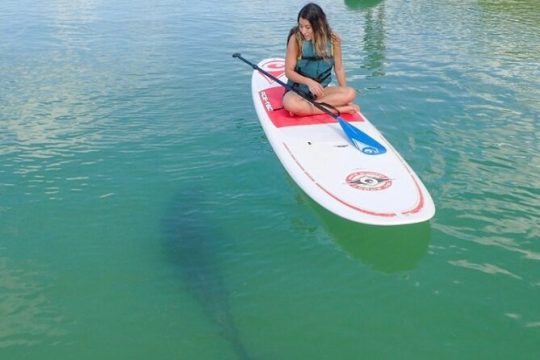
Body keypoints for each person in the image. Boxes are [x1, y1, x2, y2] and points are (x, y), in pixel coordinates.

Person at [283, 3, 360, 116]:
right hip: (298, 92)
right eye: (301, 26)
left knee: (350, 93)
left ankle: (305, 109)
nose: (303, 31)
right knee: (290, 103)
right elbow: (288, 72)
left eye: (308, 27)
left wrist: (346, 99)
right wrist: (308, 82)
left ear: (319, 25)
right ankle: (338, 110)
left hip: (321, 92)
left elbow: (338, 69)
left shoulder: (334, 40)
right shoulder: (296, 39)